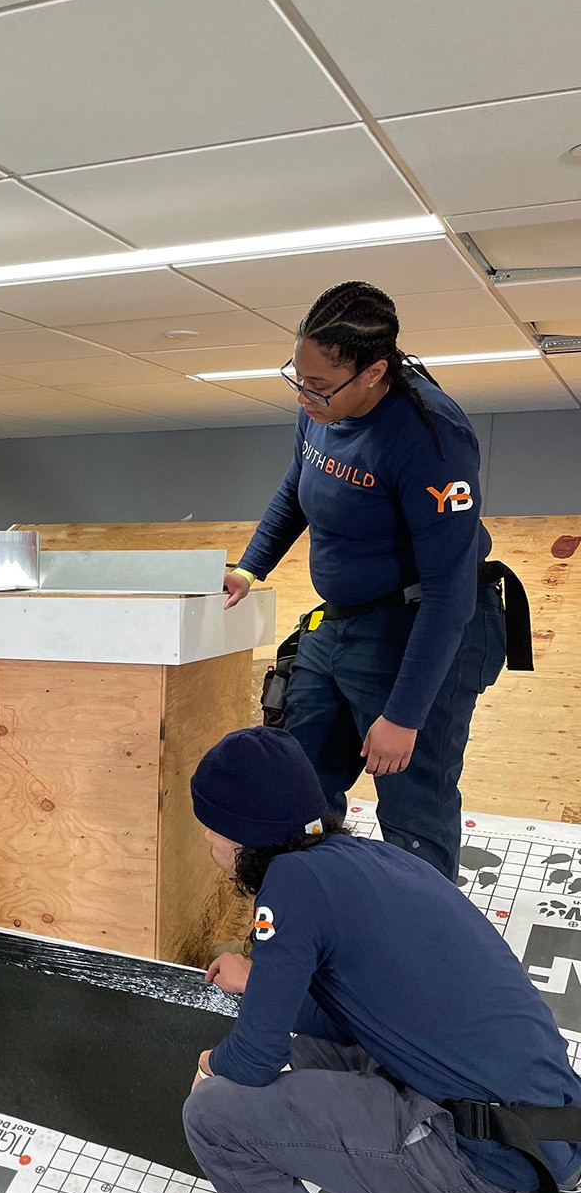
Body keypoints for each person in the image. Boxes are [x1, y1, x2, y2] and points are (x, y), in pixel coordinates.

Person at [182, 726, 581, 1193]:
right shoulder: (370, 859)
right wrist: (263, 977)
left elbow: (251, 1062)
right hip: (548, 1151)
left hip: (493, 1175)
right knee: (320, 1056)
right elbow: (363, 1010)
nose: (211, 850)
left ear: (239, 838)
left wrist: (214, 1063)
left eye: (211, 833)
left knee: (214, 1115)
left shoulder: (289, 884)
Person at [223, 281, 521, 882]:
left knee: (414, 806)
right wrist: (250, 566)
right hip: (342, 622)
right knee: (296, 780)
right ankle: (304, 924)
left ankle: (420, 954)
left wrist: (405, 715)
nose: (304, 396)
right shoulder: (319, 410)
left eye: (319, 385)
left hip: (422, 626)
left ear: (374, 372)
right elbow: (297, 488)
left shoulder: (432, 439)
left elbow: (449, 593)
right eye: (297, 378)